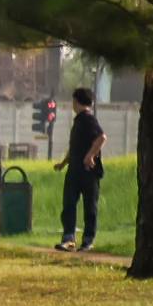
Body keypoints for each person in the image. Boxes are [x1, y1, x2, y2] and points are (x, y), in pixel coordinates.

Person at [56, 86, 106, 250]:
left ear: (77, 102)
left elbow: (101, 137)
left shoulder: (87, 119)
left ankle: (88, 240)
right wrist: (64, 163)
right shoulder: (79, 120)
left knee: (89, 206)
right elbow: (75, 147)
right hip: (74, 169)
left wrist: (90, 156)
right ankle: (69, 238)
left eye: (73, 101)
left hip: (88, 171)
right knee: (69, 204)